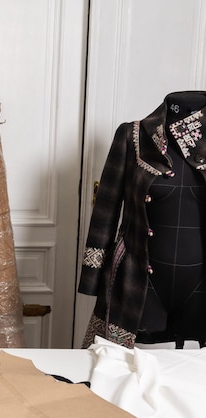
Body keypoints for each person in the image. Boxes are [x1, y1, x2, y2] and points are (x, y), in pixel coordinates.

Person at [79, 90, 206, 349]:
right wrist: (91, 277)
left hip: (201, 284)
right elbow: (106, 209)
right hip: (139, 279)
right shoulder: (134, 136)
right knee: (115, 372)